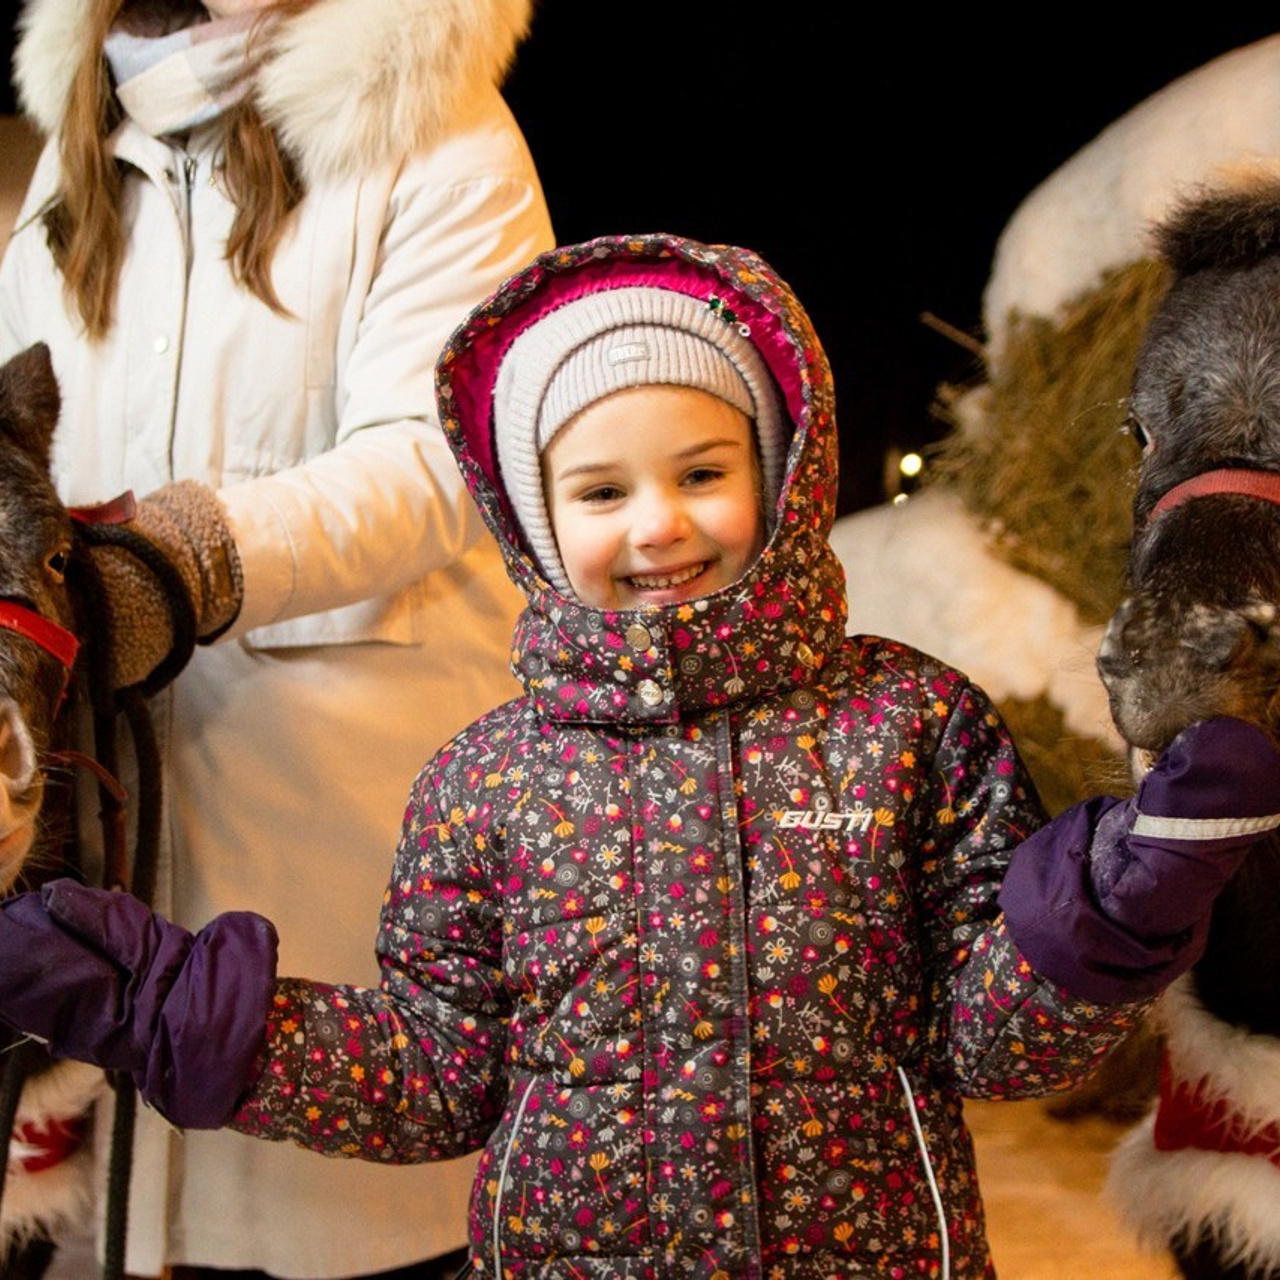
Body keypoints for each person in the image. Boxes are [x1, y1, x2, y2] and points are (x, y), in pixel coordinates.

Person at [0, 231, 1278, 1278]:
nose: (658, 521)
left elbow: (998, 1046)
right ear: (536, 519)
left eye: (701, 470)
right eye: (601, 491)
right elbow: (434, 1076)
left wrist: (1120, 896)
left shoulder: (907, 725)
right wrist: (167, 1005)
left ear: (779, 471)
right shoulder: (486, 777)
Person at [0, 0, 553, 1276]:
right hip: (109, 804)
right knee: (126, 1224)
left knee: (344, 1222)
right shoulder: (75, 149)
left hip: (339, 814)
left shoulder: (436, 122)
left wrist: (192, 558)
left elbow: (447, 452)